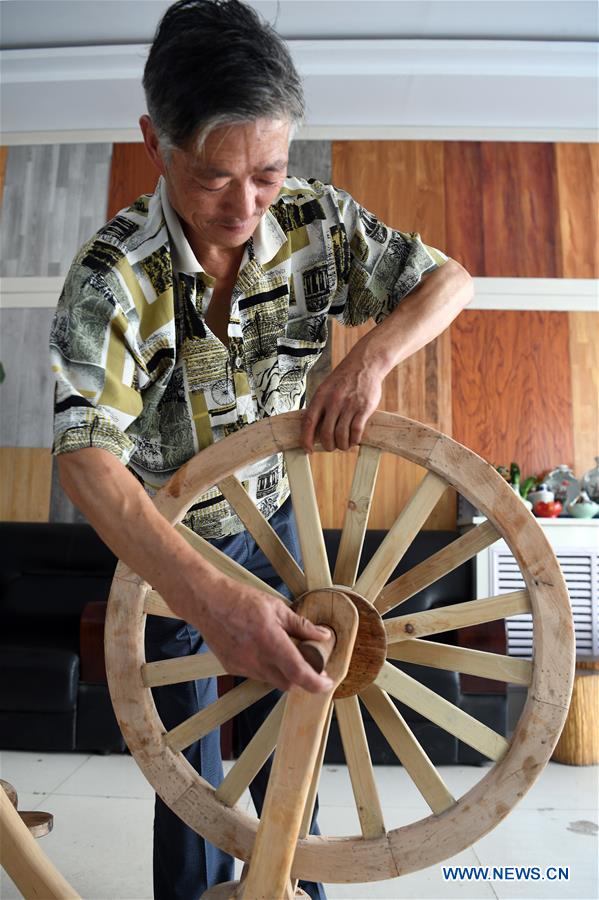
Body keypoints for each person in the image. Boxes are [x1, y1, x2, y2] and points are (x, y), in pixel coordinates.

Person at [49, 1, 473, 897]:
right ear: (154, 141)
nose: (244, 205)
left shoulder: (319, 222)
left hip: (287, 531)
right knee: (189, 772)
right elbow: (87, 462)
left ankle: (296, 888)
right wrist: (211, 601)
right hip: (171, 552)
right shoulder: (111, 278)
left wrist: (369, 358)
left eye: (268, 173)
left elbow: (448, 281)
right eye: (211, 177)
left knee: (303, 735)